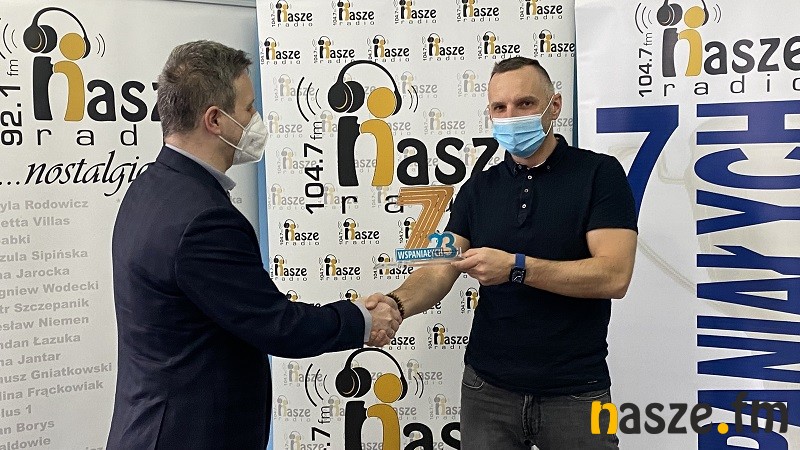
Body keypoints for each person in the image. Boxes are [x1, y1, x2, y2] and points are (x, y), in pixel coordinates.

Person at [106, 40, 401, 450]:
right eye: (247, 108)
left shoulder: (150, 187)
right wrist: (362, 319)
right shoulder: (204, 220)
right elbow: (278, 326)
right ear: (215, 119)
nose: (255, 120)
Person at [383, 56, 637, 449]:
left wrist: (517, 268)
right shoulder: (478, 189)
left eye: (525, 104)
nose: (511, 116)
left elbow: (614, 276)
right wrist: (396, 304)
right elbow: (439, 268)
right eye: (499, 107)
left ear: (554, 105)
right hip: (487, 391)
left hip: (577, 392)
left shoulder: (600, 174)